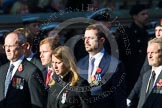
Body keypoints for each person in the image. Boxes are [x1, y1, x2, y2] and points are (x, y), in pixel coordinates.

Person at [77, 24, 127, 108]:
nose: (86, 41)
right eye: (85, 38)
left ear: (102, 40)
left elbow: (119, 97)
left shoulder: (114, 64)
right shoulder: (80, 63)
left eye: (91, 38)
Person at [0, 31, 46, 108]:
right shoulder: (2, 69)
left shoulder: (32, 71)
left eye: (11, 46)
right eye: (5, 46)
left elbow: (38, 103)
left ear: (24, 47)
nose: (7, 50)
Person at [127, 19, 162, 108]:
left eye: (161, 30)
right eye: (156, 30)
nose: (158, 33)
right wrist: (131, 97)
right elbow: (143, 75)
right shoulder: (147, 75)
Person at [117, 4, 150, 95]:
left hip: (145, 73)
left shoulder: (146, 32)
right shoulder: (127, 34)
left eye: (147, 14)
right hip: (131, 76)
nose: (146, 16)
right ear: (135, 16)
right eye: (143, 14)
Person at [137, 37, 162, 108]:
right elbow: (141, 102)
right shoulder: (146, 76)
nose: (149, 56)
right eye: (148, 53)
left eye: (153, 52)